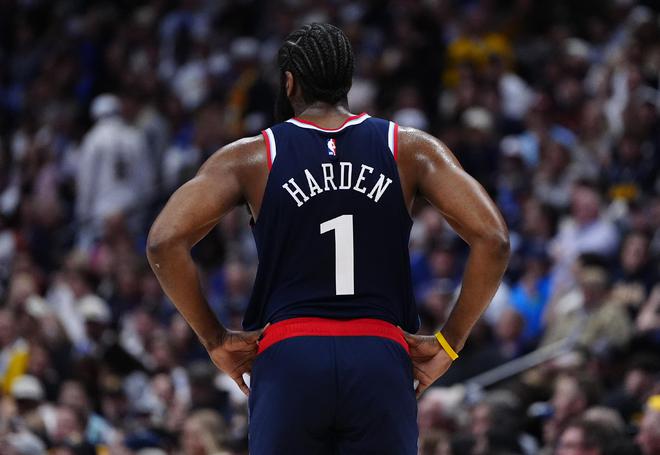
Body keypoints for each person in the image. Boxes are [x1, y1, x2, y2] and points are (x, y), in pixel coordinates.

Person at [147, 23, 509, 454]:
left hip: (290, 357)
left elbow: (163, 242)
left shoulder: (252, 156)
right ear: (347, 81)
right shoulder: (408, 148)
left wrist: (214, 339)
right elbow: (494, 239)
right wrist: (450, 341)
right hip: (378, 355)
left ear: (289, 82)